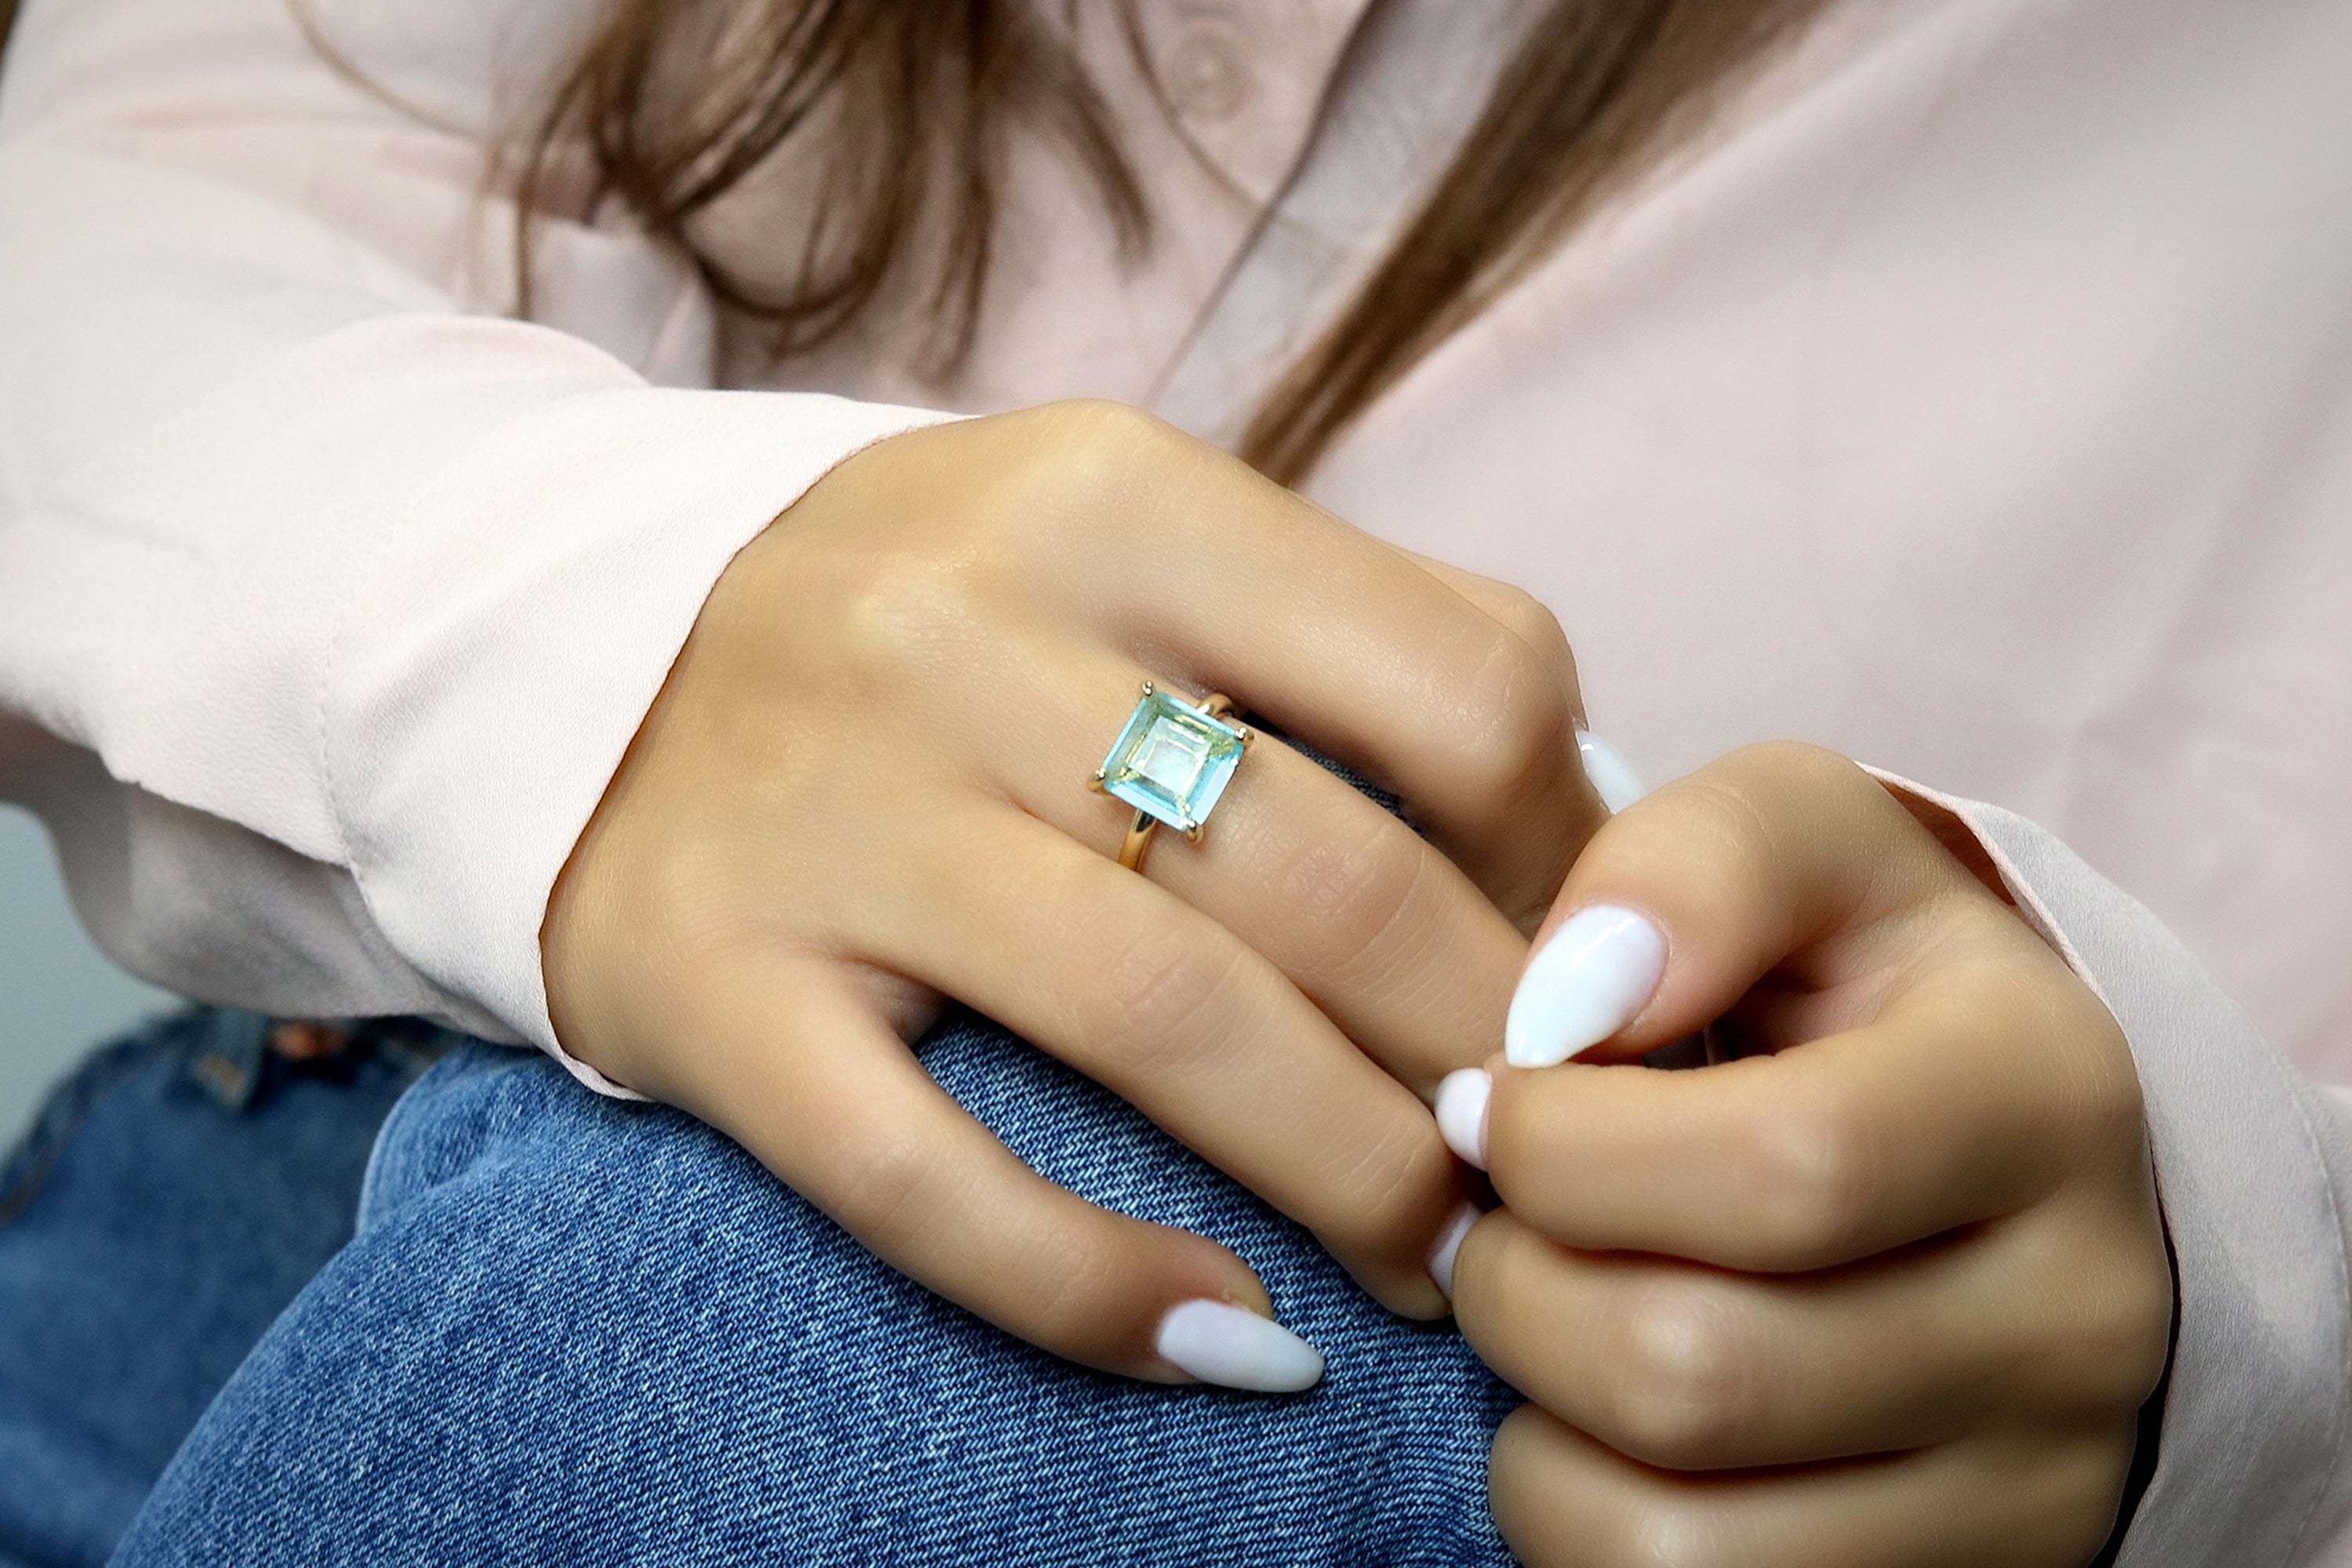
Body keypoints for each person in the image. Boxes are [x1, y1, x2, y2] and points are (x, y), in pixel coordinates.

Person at [0, 0, 2344, 1562]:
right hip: (232, 1210)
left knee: (897, 1263)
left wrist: (2201, 1278)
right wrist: (615, 616)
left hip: (1521, 1401)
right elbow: (107, 242)